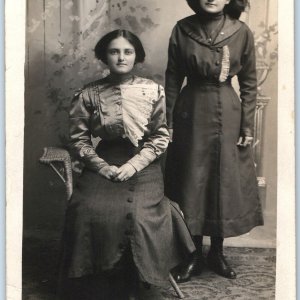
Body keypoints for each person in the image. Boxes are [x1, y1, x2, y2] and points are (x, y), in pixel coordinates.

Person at [60, 29, 195, 300]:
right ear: (104, 56)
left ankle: (138, 278)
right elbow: (79, 141)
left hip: (144, 166)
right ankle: (101, 282)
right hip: (103, 163)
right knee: (87, 208)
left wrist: (134, 166)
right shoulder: (88, 94)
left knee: (142, 214)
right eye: (114, 51)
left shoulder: (153, 90)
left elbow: (159, 136)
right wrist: (102, 167)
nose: (121, 57)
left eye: (128, 51)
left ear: (137, 56)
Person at [164, 0, 264, 283]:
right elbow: (172, 78)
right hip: (190, 112)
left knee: (223, 178)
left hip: (228, 112)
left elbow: (249, 83)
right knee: (191, 179)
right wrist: (168, 121)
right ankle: (193, 253)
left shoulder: (241, 31)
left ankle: (217, 252)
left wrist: (247, 124)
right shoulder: (182, 29)